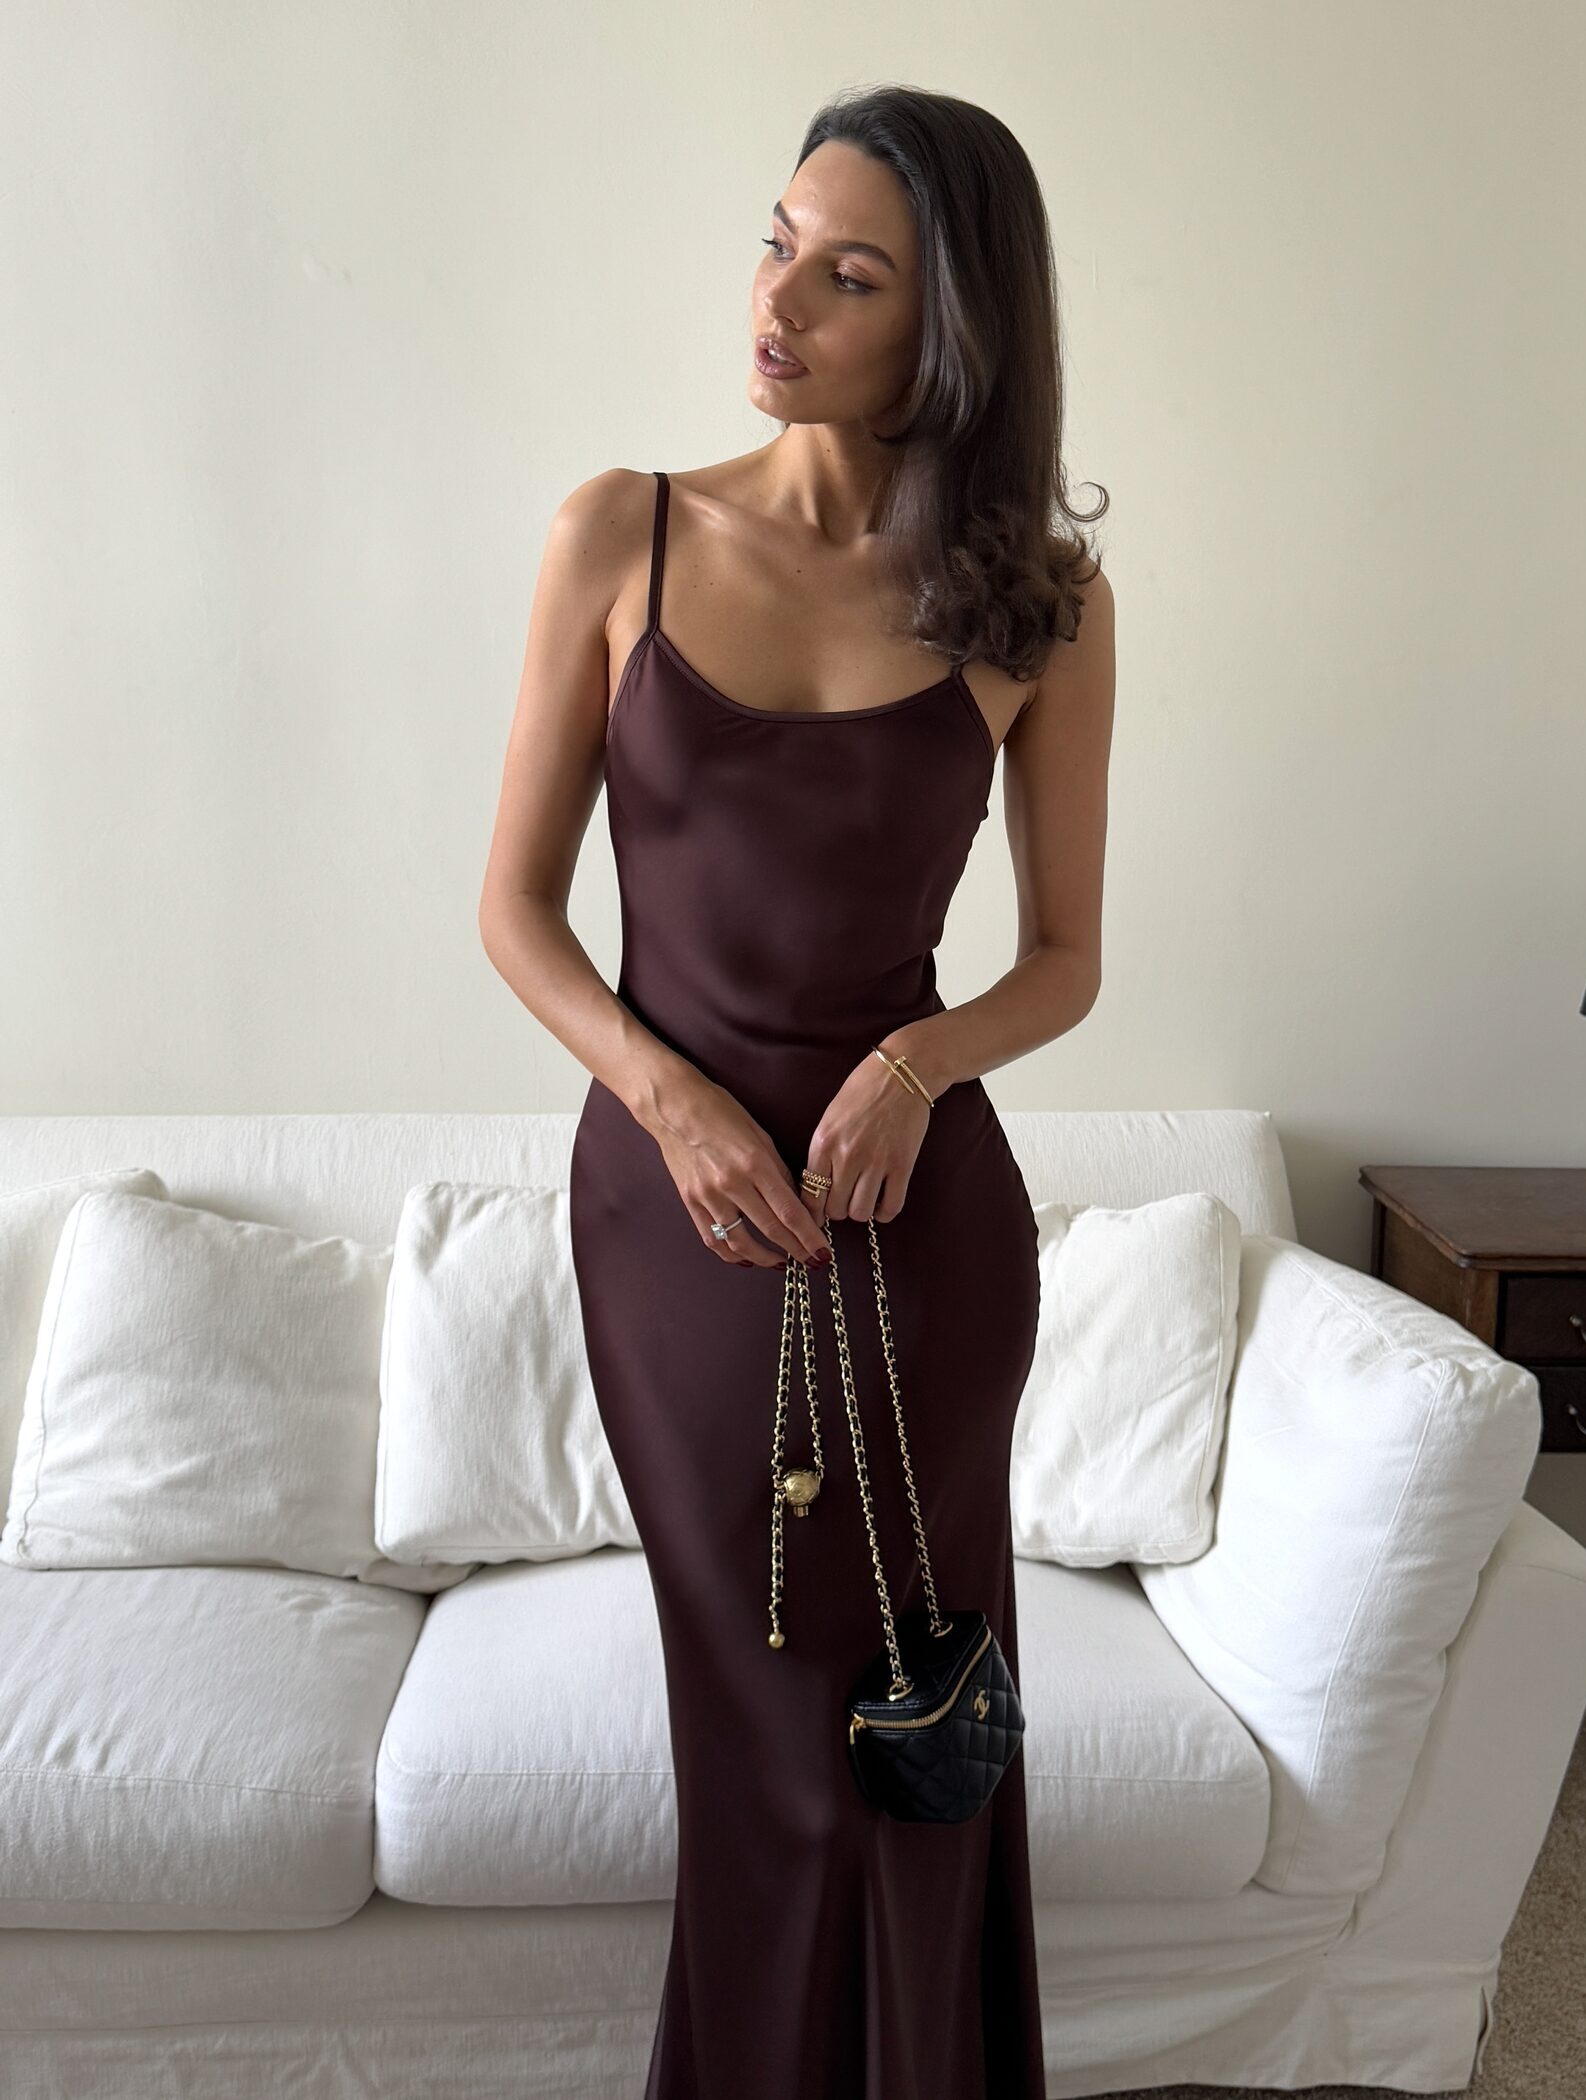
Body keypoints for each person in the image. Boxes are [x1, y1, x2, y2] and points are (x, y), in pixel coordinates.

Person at [479, 82, 1112, 2100]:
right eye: (778, 243)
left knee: (919, 1727)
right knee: (769, 1735)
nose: (779, 303)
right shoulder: (624, 531)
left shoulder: (1039, 603)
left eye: (850, 276)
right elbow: (514, 913)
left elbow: (1066, 959)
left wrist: (921, 1059)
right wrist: (671, 1105)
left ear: (952, 326)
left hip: (920, 1228)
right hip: (680, 1224)